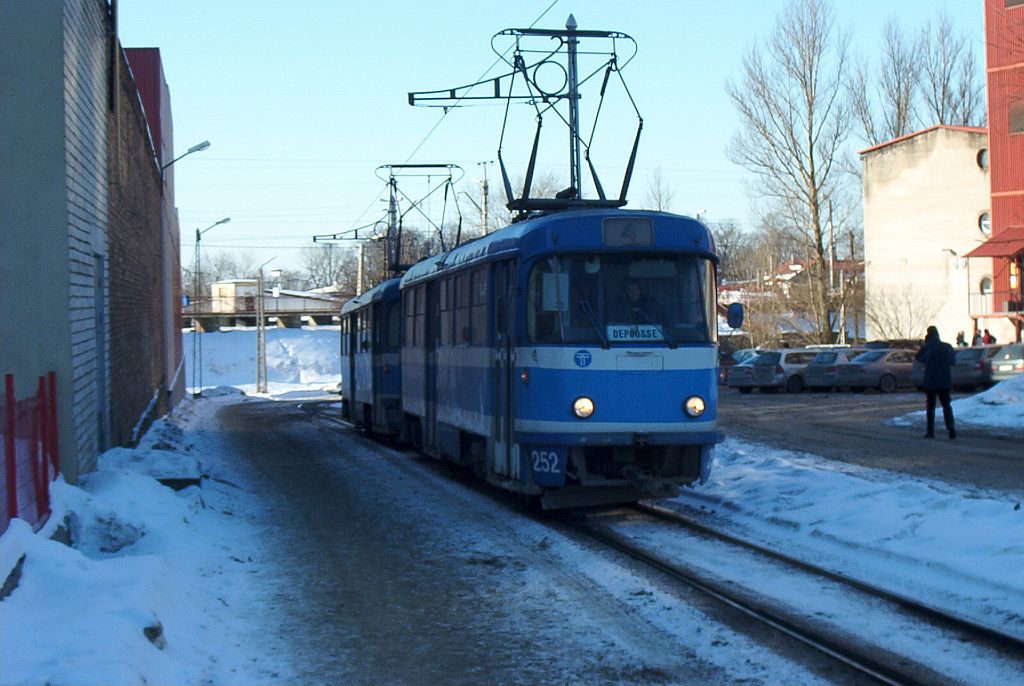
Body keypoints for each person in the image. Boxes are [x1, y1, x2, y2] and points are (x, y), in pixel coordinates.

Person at [916, 325, 956, 439]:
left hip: (931, 381)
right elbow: (953, 361)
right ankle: (951, 427)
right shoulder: (947, 346)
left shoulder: (928, 347)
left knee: (931, 407)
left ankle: (930, 431)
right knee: (946, 405)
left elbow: (919, 358)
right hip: (945, 380)